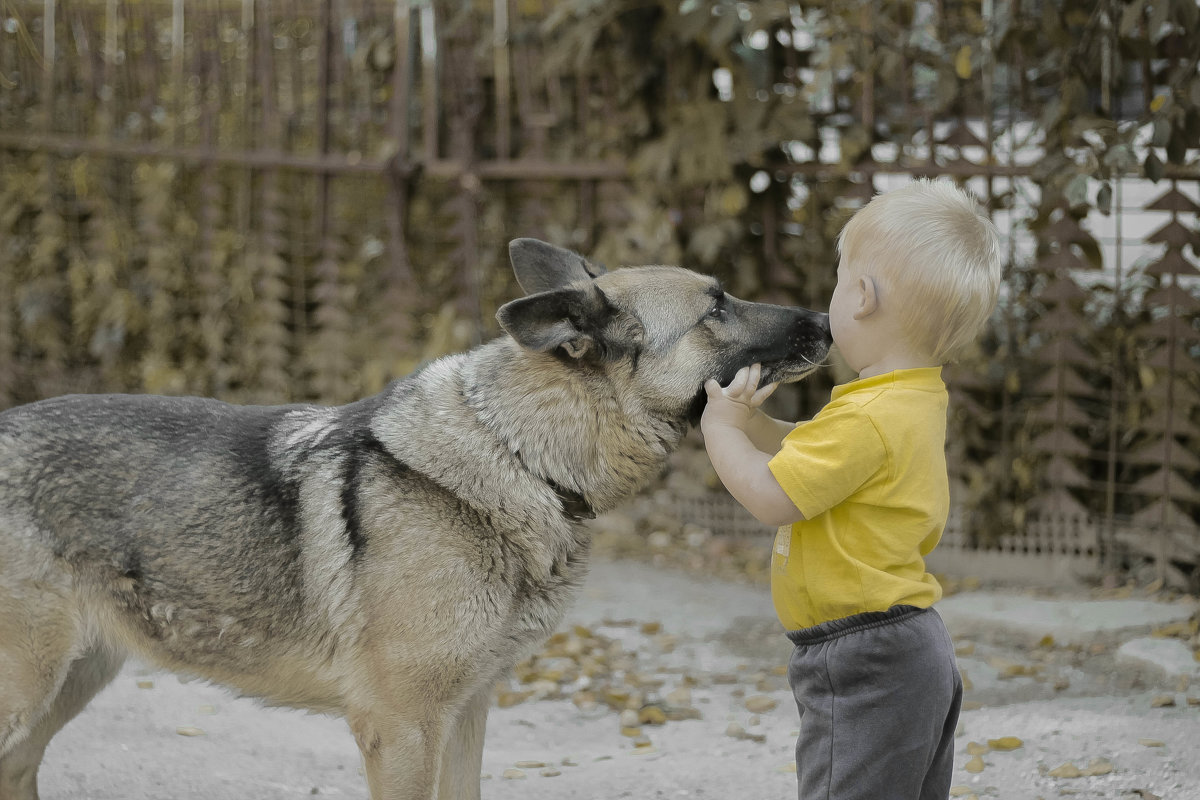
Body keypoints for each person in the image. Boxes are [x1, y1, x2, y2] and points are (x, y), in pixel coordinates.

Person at [700, 178, 1003, 799]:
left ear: (861, 296)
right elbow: (820, 458)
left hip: (863, 656)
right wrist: (755, 422)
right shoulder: (909, 399)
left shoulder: (866, 418)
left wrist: (722, 430)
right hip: (910, 648)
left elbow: (771, 495)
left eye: (839, 282)